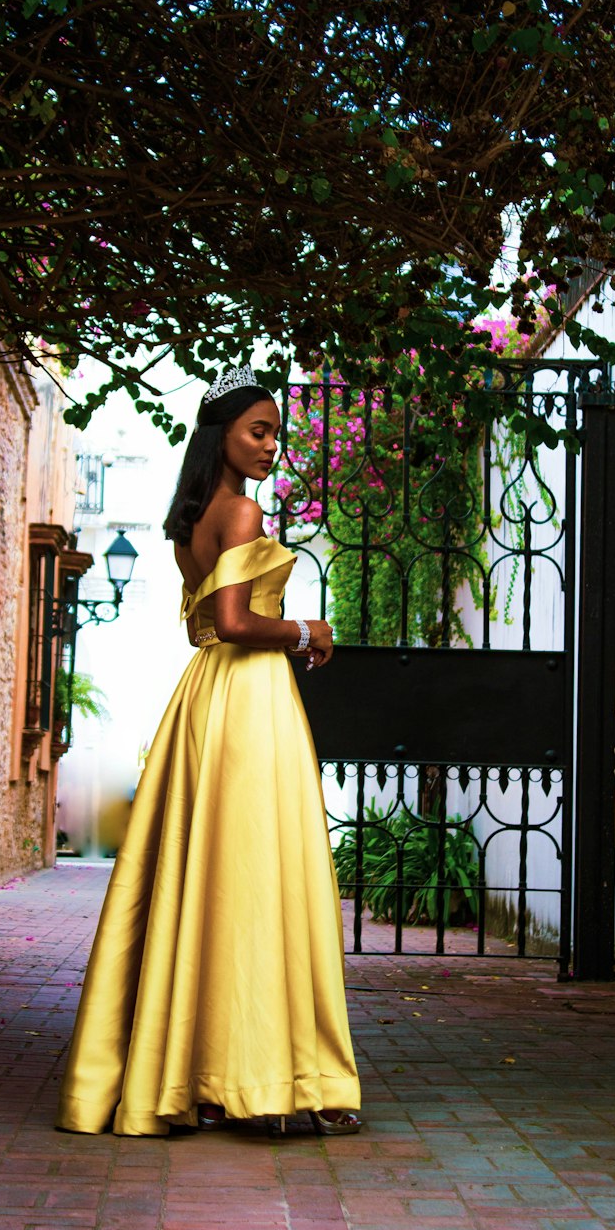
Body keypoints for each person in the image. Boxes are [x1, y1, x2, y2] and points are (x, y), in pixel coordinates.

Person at [55, 365, 362, 1137]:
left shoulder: (189, 518)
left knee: (211, 877)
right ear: (221, 432)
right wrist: (305, 632)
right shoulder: (244, 512)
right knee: (256, 878)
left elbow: (202, 625)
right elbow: (230, 620)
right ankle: (263, 1078)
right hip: (250, 700)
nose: (270, 447)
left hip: (206, 700)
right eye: (258, 430)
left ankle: (206, 1070)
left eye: (276, 435)